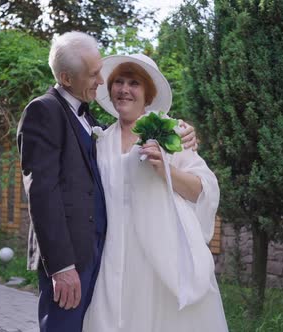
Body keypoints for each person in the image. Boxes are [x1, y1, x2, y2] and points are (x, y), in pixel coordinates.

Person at [16, 32, 198, 332]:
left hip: (104, 258)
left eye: (100, 71)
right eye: (93, 74)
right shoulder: (44, 111)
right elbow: (42, 193)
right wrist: (61, 267)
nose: (101, 81)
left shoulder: (94, 125)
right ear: (66, 77)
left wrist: (185, 133)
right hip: (70, 260)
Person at [82, 54, 229, 331]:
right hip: (111, 254)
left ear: (148, 95)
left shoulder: (170, 133)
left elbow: (204, 189)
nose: (124, 89)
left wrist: (166, 171)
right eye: (119, 82)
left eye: (134, 83)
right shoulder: (99, 141)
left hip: (159, 252)